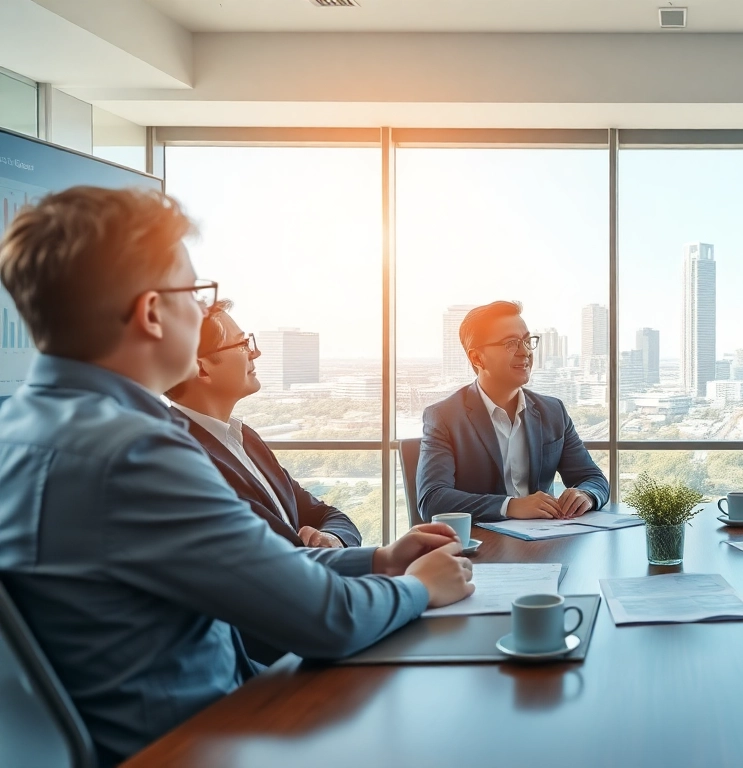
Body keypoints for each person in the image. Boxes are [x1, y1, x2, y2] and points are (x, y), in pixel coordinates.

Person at [0, 186, 475, 765]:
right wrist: (421, 587)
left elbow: (254, 565)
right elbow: (326, 620)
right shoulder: (136, 452)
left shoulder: (20, 428)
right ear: (151, 312)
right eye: (197, 294)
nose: (204, 312)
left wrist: (375, 560)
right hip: (200, 740)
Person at [167, 300, 360, 550]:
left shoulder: (245, 438)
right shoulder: (184, 458)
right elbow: (276, 560)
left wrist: (333, 539)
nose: (255, 353)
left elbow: (326, 514)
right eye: (242, 344)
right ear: (202, 369)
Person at [418, 301, 610, 522]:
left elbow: (593, 478)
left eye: (527, 341)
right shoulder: (444, 417)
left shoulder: (553, 411)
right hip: (482, 548)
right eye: (511, 344)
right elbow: (432, 499)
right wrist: (510, 506)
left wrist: (586, 494)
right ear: (477, 358)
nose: (525, 352)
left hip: (545, 543)